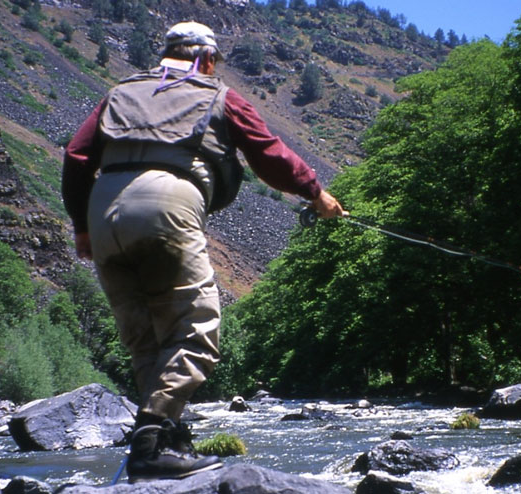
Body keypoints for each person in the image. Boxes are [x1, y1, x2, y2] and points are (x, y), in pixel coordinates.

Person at [61, 21, 345, 482]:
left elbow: (76, 155)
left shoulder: (119, 92)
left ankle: (169, 438)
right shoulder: (218, 95)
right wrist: (316, 193)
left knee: (146, 339)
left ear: (167, 54)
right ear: (208, 60)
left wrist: (81, 228)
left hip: (102, 214)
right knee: (197, 330)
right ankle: (150, 443)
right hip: (168, 207)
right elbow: (269, 154)